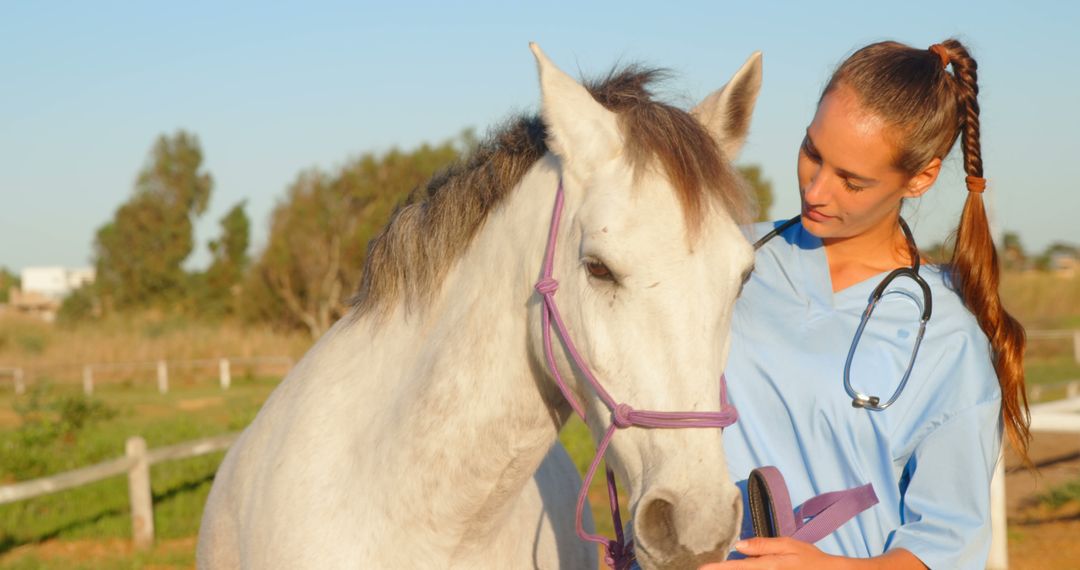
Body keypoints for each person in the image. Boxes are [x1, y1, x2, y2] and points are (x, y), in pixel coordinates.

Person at [703, 39, 1029, 569]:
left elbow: (944, 547)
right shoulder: (722, 259)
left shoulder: (948, 342)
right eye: (812, 152)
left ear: (921, 177)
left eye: (852, 181)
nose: (815, 190)